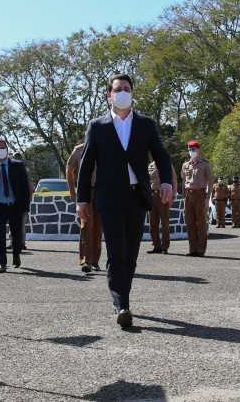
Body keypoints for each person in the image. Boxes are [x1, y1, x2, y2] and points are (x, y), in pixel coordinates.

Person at [76, 73, 173, 328]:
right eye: (117, 88)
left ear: (132, 93)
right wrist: (82, 199)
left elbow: (162, 156)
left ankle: (121, 295)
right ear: (109, 94)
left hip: (136, 197)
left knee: (131, 253)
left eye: (127, 88)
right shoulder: (97, 125)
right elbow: (85, 167)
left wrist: (166, 182)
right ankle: (123, 304)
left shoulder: (145, 124)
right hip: (109, 198)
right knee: (116, 251)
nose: (122, 92)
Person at [0, 140, 31, 272]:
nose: (0, 150)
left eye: (2, 148)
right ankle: (1, 262)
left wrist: (25, 207)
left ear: (7, 148)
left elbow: (24, 187)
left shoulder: (17, 165)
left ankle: (16, 255)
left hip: (15, 206)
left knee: (16, 235)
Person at [67, 142, 102, 272]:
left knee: (98, 228)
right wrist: (72, 191)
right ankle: (86, 260)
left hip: (102, 191)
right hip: (85, 191)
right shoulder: (79, 150)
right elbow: (69, 168)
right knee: (86, 225)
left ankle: (95, 261)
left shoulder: (104, 145)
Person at [181, 141, 213, 256]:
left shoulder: (204, 164)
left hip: (200, 194)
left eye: (193, 149)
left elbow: (211, 180)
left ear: (199, 149)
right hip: (189, 195)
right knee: (190, 223)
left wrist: (207, 197)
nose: (191, 152)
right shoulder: (185, 164)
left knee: (201, 222)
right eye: (189, 150)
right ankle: (192, 249)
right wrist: (184, 195)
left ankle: (201, 249)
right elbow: (184, 181)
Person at [146, 160, 177, 253]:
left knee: (164, 222)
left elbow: (174, 180)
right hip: (152, 195)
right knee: (153, 223)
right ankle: (156, 246)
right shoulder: (149, 165)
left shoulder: (167, 164)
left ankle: (164, 246)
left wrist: (172, 196)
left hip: (163, 195)